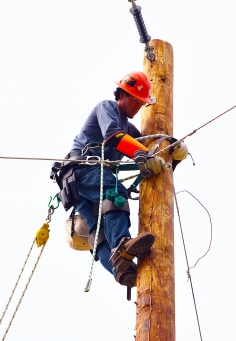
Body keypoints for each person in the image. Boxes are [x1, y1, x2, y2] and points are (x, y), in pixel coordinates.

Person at [62, 71, 187, 289]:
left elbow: (148, 147)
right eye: (135, 100)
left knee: (97, 231)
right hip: (84, 169)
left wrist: (172, 154)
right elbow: (115, 137)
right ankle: (121, 246)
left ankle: (122, 271)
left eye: (141, 103)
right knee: (115, 191)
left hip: (79, 183)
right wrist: (147, 156)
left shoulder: (127, 128)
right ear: (121, 94)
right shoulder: (107, 107)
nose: (138, 107)